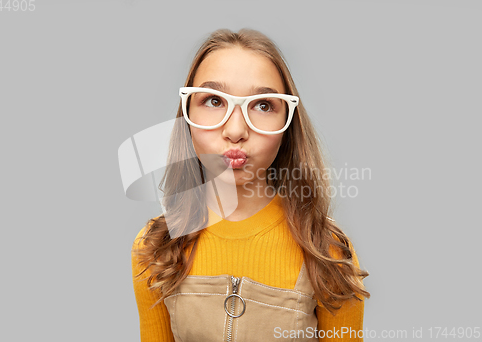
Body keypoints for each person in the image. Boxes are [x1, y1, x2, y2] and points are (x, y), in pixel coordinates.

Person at [131, 28, 370, 342]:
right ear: (186, 116)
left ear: (288, 124)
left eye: (262, 105)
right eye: (214, 100)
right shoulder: (155, 248)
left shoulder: (326, 251)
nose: (235, 130)